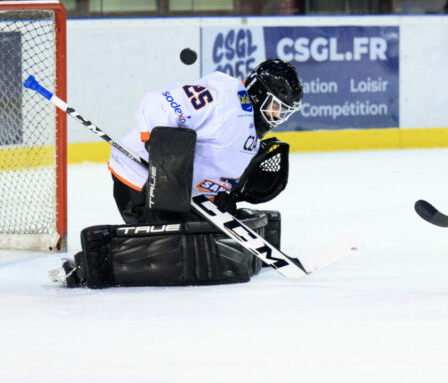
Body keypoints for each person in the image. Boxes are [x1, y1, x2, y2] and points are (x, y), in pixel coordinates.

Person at [54, 60, 304, 288]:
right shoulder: (224, 98)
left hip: (182, 190)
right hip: (143, 179)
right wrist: (159, 144)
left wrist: (222, 195)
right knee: (172, 248)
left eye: (284, 111)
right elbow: (160, 101)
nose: (277, 117)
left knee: (206, 239)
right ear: (259, 93)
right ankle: (84, 266)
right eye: (275, 107)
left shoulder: (248, 126)